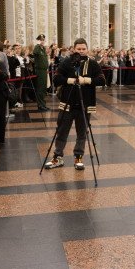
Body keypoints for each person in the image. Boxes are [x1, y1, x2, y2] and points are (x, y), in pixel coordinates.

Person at [44, 38, 105, 170]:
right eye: (79, 49)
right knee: (61, 131)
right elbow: (56, 78)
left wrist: (86, 80)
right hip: (68, 103)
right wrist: (70, 80)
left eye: (83, 49)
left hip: (85, 104)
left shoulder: (93, 63)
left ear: (87, 49)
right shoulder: (67, 62)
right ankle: (57, 157)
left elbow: (102, 80)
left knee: (82, 133)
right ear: (74, 49)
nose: (81, 51)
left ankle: (78, 157)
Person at [33, 34, 49, 110]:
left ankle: (43, 104)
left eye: (43, 40)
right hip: (39, 71)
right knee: (40, 89)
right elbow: (35, 52)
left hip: (44, 70)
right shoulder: (37, 48)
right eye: (41, 40)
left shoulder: (43, 49)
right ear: (38, 40)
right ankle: (40, 105)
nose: (43, 41)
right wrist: (38, 44)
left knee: (43, 89)